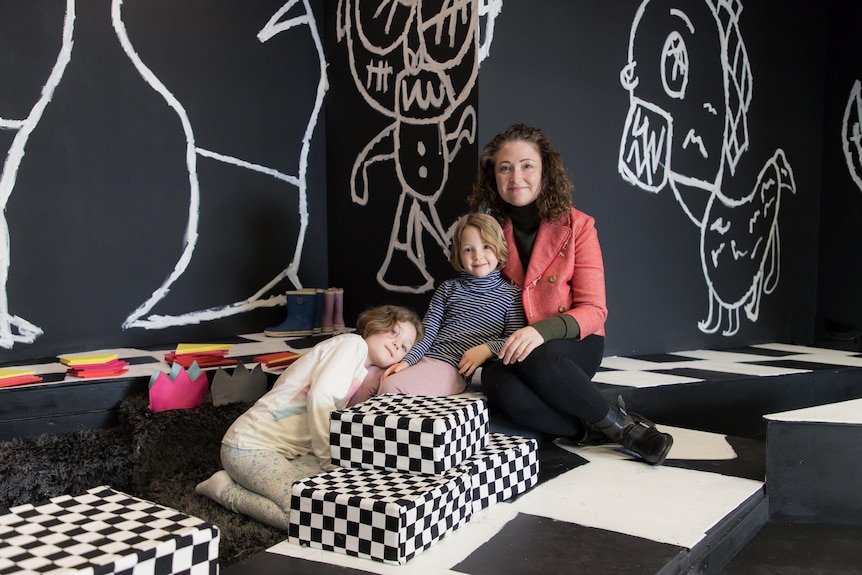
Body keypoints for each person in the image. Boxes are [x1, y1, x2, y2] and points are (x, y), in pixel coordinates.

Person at [467, 123, 673, 465]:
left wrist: (538, 331)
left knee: (537, 355)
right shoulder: (489, 232)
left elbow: (594, 310)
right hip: (514, 344)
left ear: (545, 172)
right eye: (505, 167)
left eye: (527, 165)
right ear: (493, 176)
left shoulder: (578, 226)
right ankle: (588, 429)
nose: (515, 176)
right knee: (496, 381)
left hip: (572, 346)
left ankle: (627, 431)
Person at [195, 305, 423, 530]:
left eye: (405, 346)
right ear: (375, 325)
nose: (396, 344)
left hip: (290, 453)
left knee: (336, 491)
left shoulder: (360, 369)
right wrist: (327, 459)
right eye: (393, 332)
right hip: (250, 446)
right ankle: (225, 490)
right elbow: (320, 398)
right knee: (305, 515)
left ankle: (248, 480)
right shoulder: (351, 345)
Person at [348, 213, 527, 406]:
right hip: (423, 356)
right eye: (468, 249)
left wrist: (486, 349)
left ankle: (384, 433)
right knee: (365, 378)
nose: (478, 256)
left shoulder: (511, 296)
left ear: (500, 249)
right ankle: (344, 432)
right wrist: (408, 361)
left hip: (452, 368)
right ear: (458, 254)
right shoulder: (448, 288)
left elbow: (513, 341)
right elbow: (428, 331)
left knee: (392, 387)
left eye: (486, 247)